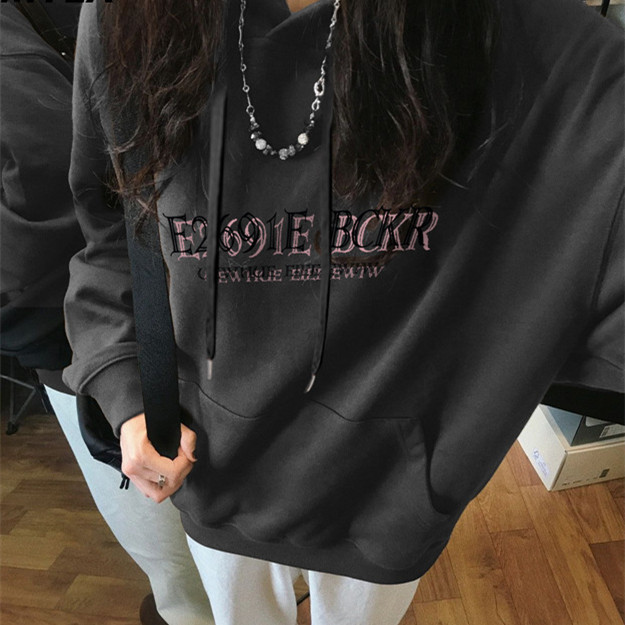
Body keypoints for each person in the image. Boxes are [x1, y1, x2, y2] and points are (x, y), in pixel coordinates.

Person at [63, 0, 624, 624]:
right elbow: (110, 226)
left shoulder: (539, 47)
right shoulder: (126, 18)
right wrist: (126, 389)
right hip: (207, 469)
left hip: (390, 499)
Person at [0, 4, 215, 624]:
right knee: (179, 554)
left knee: (182, 553)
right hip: (107, 321)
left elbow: (44, 157)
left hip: (107, 320)